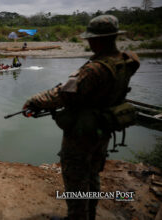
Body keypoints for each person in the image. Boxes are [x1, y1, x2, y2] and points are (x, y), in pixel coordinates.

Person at [22, 15, 139, 220]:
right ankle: (89, 215)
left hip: (83, 133)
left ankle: (78, 216)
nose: (89, 43)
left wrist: (34, 101)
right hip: (103, 129)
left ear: (99, 39)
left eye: (91, 39)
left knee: (76, 180)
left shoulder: (94, 69)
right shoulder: (127, 61)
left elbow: (63, 94)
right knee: (92, 174)